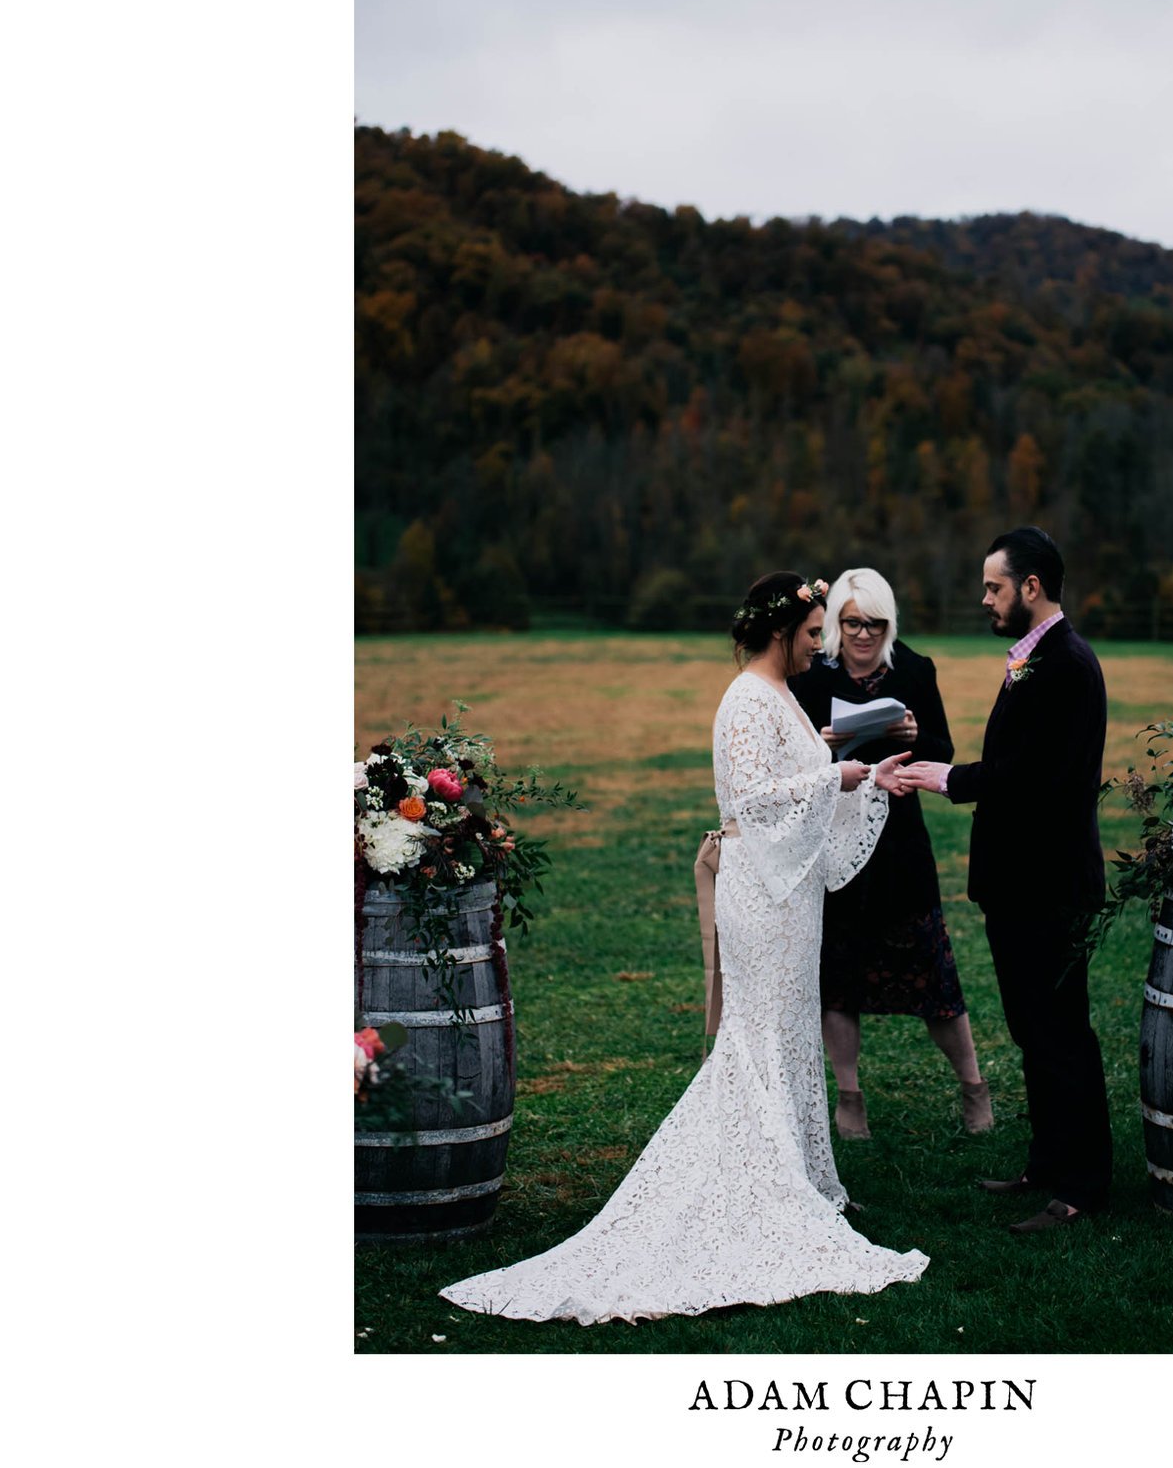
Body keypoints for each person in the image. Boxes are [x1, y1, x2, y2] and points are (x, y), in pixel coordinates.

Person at [442, 572, 923, 1322]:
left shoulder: (784, 697)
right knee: (758, 1035)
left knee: (788, 1033)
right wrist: (839, 773)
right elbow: (754, 799)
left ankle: (789, 1178)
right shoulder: (746, 700)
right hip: (761, 897)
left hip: (789, 898)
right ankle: (757, 1187)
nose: (820, 645)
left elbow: (801, 782)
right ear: (780, 629)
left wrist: (868, 779)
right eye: (812, 632)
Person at [888, 528, 1112, 1233]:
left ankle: (1081, 1185)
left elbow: (1038, 781)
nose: (986, 598)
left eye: (994, 586)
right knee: (1032, 1029)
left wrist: (948, 777)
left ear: (1032, 587)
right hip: (1020, 886)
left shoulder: (1066, 665)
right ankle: (1047, 1163)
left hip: (1049, 887)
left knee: (1060, 1032)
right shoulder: (1034, 660)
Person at [789, 568, 991, 1141]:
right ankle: (849, 1098)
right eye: (851, 623)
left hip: (900, 843)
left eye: (874, 624)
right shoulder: (811, 675)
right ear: (834, 624)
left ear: (889, 623)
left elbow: (942, 751)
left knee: (934, 974)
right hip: (834, 844)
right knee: (838, 978)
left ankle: (973, 1085)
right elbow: (795, 762)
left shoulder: (915, 669)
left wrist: (912, 738)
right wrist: (822, 746)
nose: (862, 635)